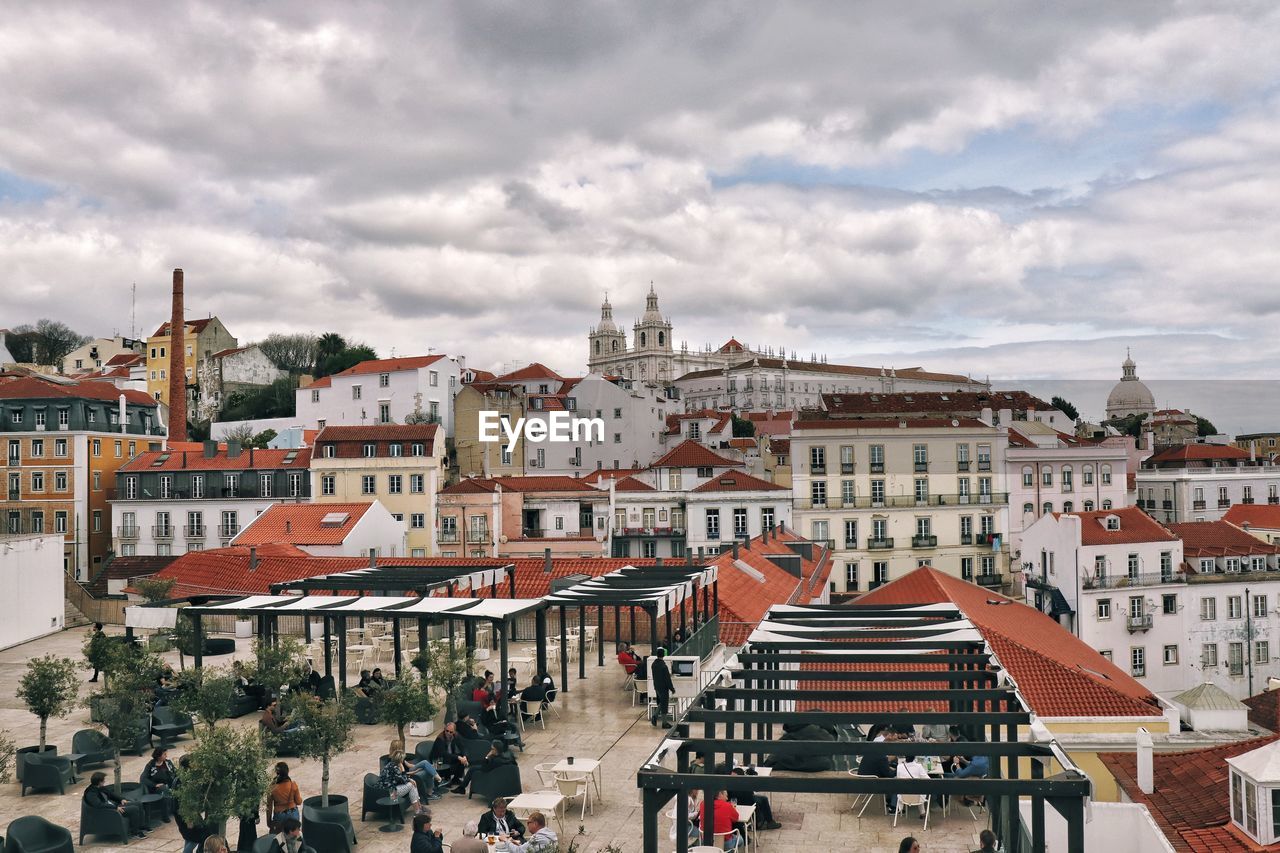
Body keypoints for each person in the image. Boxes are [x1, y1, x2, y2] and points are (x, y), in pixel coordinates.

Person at [85, 771, 149, 838]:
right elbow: (99, 805)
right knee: (134, 809)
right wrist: (115, 807)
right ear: (99, 782)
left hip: (114, 806)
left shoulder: (100, 787)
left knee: (138, 804)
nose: (104, 781)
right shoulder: (91, 793)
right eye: (103, 780)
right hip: (109, 811)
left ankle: (141, 826)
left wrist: (121, 799)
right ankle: (135, 832)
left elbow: (111, 794)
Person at [721, 763, 782, 830]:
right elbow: (752, 794)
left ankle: (769, 821)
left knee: (763, 799)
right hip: (745, 802)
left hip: (743, 801)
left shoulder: (732, 785)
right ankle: (768, 821)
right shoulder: (743, 786)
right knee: (763, 799)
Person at [452, 739, 517, 795]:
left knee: (472, 769)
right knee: (475, 765)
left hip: (493, 775)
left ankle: (462, 788)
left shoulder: (496, 760)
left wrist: (487, 756)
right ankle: (462, 787)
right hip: (505, 776)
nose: (491, 750)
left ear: (496, 750)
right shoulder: (508, 756)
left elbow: (484, 768)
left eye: (492, 749)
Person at [379, 748, 425, 814]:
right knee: (411, 785)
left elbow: (400, 779)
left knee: (412, 783)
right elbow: (402, 780)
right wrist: (403, 769)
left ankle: (419, 808)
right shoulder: (395, 768)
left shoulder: (390, 764)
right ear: (400, 759)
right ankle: (418, 809)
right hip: (390, 792)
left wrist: (409, 779)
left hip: (388, 789)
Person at [858, 746, 897, 812]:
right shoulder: (882, 758)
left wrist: (888, 766)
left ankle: (889, 800)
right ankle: (893, 806)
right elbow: (889, 775)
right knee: (896, 780)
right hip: (872, 783)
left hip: (862, 779)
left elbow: (879, 766)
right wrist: (898, 769)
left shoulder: (870, 753)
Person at [143, 747, 178, 820]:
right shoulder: (150, 765)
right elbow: (143, 779)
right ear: (158, 756)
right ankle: (165, 816)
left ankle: (178, 810)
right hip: (157, 787)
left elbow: (175, 772)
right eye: (164, 754)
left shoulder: (168, 762)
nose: (166, 756)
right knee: (164, 791)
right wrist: (155, 785)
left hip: (169, 784)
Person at [269, 762, 303, 829]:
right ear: (287, 771)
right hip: (293, 813)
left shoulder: (272, 787)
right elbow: (299, 802)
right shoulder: (293, 785)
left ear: (276, 772)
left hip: (279, 815)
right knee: (293, 837)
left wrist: (269, 822)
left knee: (280, 837)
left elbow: (269, 807)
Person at [650, 647, 674, 728]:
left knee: (661, 703)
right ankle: (662, 722)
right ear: (663, 655)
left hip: (657, 686)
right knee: (664, 704)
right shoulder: (664, 666)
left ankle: (656, 717)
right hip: (663, 688)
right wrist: (672, 688)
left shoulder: (653, 664)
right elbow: (667, 679)